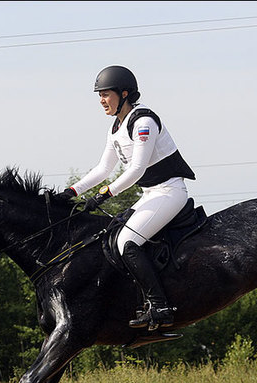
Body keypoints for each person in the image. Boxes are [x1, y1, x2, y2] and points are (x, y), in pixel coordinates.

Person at [56, 65, 196, 330]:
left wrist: (103, 195)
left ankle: (160, 306)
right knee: (111, 237)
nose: (101, 100)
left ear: (124, 94)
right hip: (150, 194)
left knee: (128, 241)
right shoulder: (116, 127)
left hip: (169, 191)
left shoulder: (143, 122)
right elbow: (103, 169)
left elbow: (137, 169)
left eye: (105, 94)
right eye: (99, 95)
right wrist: (72, 191)